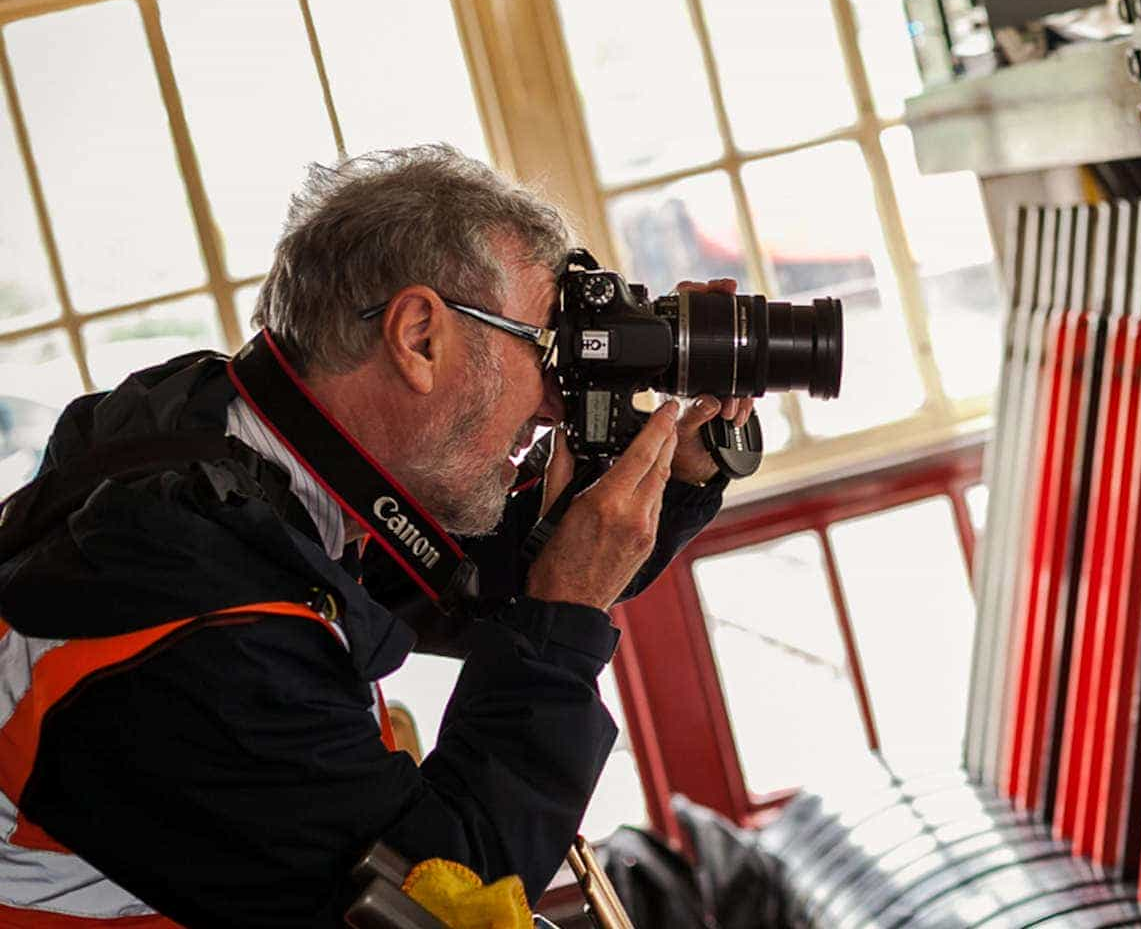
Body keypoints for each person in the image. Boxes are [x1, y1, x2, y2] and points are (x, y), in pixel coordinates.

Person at [0, 146, 747, 925]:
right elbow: (445, 899)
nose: (557, 403)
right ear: (418, 335)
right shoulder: (191, 620)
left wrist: (680, 472)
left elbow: (470, 588)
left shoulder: (216, 446)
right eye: (542, 349)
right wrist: (564, 617)